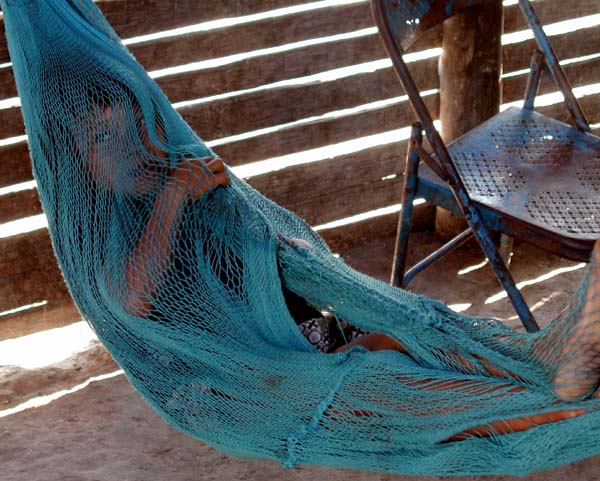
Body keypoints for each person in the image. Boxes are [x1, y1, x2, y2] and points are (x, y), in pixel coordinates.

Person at [81, 82, 600, 442]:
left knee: (415, 330)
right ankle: (543, 411)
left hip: (307, 324)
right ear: (79, 160)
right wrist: (173, 197)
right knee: (384, 377)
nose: (127, 149)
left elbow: (272, 239)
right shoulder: (103, 227)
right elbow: (133, 298)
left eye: (133, 131)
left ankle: (542, 368)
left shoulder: (181, 174)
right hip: (259, 368)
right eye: (104, 140)